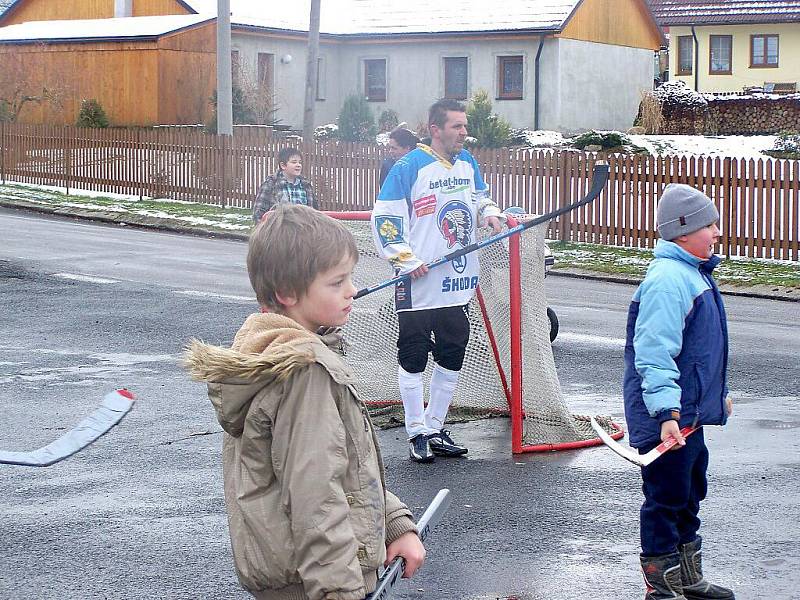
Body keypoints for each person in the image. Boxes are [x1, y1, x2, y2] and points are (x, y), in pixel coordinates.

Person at [184, 204, 425, 599]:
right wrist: (339, 593)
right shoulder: (303, 373)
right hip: (319, 582)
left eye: (350, 277)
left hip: (306, 575)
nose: (352, 290)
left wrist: (394, 523)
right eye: (336, 282)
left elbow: (347, 467)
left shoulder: (278, 350)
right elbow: (317, 499)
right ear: (287, 293)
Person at [371, 98, 504, 463]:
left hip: (456, 281)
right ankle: (415, 432)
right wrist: (405, 258)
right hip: (417, 281)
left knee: (453, 351)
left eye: (464, 125)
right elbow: (386, 217)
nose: (464, 132)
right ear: (435, 129)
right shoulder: (409, 166)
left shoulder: (467, 162)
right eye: (457, 126)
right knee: (413, 355)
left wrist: (489, 213)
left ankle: (434, 426)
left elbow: (480, 199)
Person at [623, 183, 735, 600]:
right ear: (684, 230)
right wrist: (667, 414)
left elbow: (700, 352)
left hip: (687, 416)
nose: (717, 232)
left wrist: (713, 397)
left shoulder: (693, 274)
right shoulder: (669, 280)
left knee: (689, 493)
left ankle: (689, 578)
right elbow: (654, 353)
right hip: (666, 417)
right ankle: (662, 587)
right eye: (710, 225)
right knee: (666, 498)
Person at [252, 147, 316, 223]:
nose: (298, 165)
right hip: (280, 230)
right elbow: (258, 213)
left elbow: (314, 212)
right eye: (294, 162)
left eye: (300, 162)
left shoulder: (306, 185)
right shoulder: (271, 184)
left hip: (304, 229)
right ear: (283, 165)